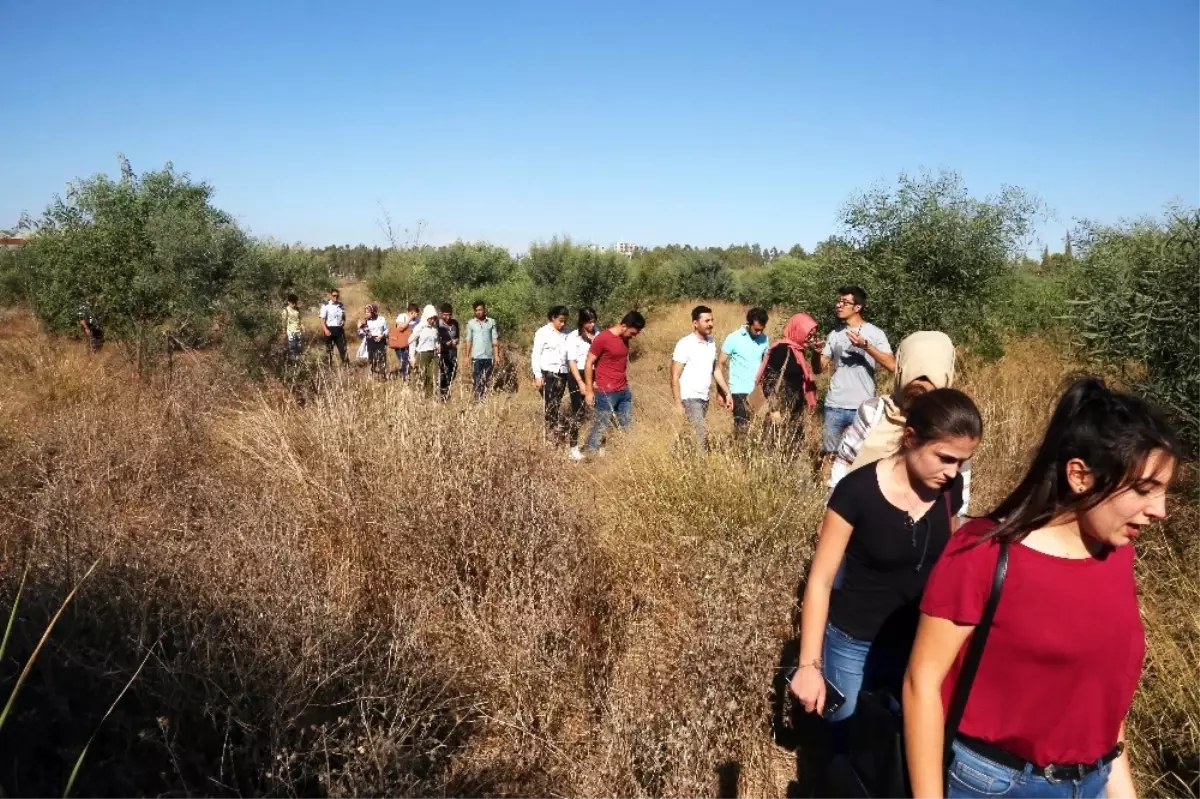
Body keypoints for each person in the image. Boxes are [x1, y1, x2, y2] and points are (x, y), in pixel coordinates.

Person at [904, 379, 1179, 799]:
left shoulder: (1117, 553)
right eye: (1144, 490)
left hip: (1092, 781)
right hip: (992, 784)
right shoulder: (982, 553)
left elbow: (1099, 698)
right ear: (1079, 475)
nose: (1160, 511)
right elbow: (922, 683)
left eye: (1163, 492)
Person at [789, 389, 983, 754]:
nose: (953, 472)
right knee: (842, 745)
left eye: (962, 462)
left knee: (896, 747)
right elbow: (820, 580)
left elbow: (948, 560)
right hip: (852, 644)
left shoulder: (948, 491)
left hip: (917, 645)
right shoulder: (855, 492)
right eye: (945, 458)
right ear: (910, 438)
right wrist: (809, 665)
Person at [830, 331, 971, 515]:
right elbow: (845, 461)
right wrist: (831, 509)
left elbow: (959, 497)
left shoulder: (955, 423)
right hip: (863, 520)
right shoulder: (875, 411)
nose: (922, 385)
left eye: (931, 377)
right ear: (900, 370)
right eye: (915, 375)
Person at [820, 286, 895, 460]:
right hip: (834, 405)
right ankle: (827, 487)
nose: (839, 305)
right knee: (829, 456)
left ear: (857, 307)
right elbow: (819, 368)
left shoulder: (875, 333)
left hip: (863, 406)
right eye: (838, 301)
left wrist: (867, 346)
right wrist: (816, 352)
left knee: (860, 458)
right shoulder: (834, 334)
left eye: (844, 302)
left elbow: (892, 365)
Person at [581, 311, 646, 457]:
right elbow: (589, 363)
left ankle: (629, 457)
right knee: (601, 426)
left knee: (627, 425)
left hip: (624, 391)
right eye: (633, 333)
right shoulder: (603, 338)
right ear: (624, 326)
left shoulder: (625, 339)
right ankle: (588, 456)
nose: (634, 336)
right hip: (606, 392)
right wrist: (589, 391)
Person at [671, 305, 733, 451]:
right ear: (695, 323)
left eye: (712, 320)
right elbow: (674, 375)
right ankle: (701, 469)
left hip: (704, 398)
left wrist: (726, 392)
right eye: (706, 321)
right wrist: (678, 403)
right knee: (700, 437)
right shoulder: (685, 344)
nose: (710, 324)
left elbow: (716, 370)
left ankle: (674, 456)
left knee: (687, 432)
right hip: (690, 397)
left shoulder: (711, 342)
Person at [754, 313, 823, 432]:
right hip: (779, 412)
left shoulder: (797, 351)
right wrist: (774, 409)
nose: (810, 339)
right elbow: (769, 379)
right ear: (798, 331)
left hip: (793, 411)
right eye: (808, 335)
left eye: (812, 336)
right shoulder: (782, 350)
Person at [720, 307, 769, 436]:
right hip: (738, 390)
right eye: (756, 329)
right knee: (742, 426)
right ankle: (739, 453)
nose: (759, 333)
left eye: (761, 330)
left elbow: (765, 363)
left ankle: (746, 452)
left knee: (756, 427)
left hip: (757, 390)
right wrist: (722, 390)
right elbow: (720, 363)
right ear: (749, 323)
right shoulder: (734, 338)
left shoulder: (765, 339)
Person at [531, 306, 571, 441]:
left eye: (565, 321)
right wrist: (537, 375)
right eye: (560, 320)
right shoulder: (542, 332)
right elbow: (536, 354)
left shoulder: (568, 333)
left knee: (556, 403)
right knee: (550, 403)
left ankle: (554, 430)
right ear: (553, 318)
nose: (563, 324)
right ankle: (549, 434)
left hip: (563, 373)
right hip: (547, 373)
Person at [566, 307, 598, 462]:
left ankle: (597, 443)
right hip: (577, 374)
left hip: (594, 373)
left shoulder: (598, 334)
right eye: (588, 322)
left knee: (599, 409)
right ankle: (573, 447)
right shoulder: (573, 337)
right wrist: (580, 382)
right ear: (581, 321)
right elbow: (571, 361)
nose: (592, 325)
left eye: (593, 321)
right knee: (578, 411)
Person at [464, 300, 500, 401]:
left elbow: (494, 339)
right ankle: (477, 399)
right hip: (476, 357)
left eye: (480, 309)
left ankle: (484, 399)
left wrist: (496, 355)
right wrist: (466, 356)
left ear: (484, 310)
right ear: (474, 311)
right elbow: (468, 340)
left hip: (488, 356)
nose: (479, 312)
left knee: (487, 379)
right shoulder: (471, 323)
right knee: (477, 378)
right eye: (476, 310)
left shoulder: (491, 322)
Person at [412, 305, 441, 398]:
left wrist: (438, 348)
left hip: (434, 354)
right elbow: (411, 341)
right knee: (422, 375)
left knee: (433, 375)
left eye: (434, 318)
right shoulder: (420, 327)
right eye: (431, 318)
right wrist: (412, 357)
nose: (433, 320)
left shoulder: (435, 328)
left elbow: (436, 341)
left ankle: (430, 395)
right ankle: (419, 395)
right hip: (422, 353)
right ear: (426, 317)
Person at [436, 303, 460, 402]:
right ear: (441, 313)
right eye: (445, 314)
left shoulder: (455, 323)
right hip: (442, 353)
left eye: (449, 314)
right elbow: (435, 338)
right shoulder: (437, 323)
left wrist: (456, 341)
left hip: (453, 352)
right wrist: (445, 343)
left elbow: (458, 336)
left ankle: (446, 391)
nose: (447, 317)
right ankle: (442, 394)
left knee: (452, 373)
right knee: (443, 373)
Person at [319, 289, 348, 365]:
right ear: (330, 295)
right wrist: (325, 330)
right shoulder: (326, 305)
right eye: (334, 295)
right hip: (329, 329)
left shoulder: (341, 305)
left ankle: (346, 366)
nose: (336, 297)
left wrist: (343, 322)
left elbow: (344, 316)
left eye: (337, 295)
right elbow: (322, 319)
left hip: (339, 329)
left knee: (343, 349)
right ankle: (328, 366)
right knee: (329, 350)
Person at [360, 303, 388, 378]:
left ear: (373, 311)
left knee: (381, 358)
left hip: (381, 340)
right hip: (370, 340)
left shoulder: (382, 319)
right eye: (366, 312)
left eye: (368, 312)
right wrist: (360, 327)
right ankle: (370, 375)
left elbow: (386, 330)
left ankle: (382, 375)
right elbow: (361, 333)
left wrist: (382, 335)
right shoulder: (365, 321)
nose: (367, 314)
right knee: (371, 359)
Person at [389, 311, 413, 379]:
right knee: (404, 361)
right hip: (401, 344)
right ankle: (405, 377)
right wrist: (410, 319)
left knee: (407, 362)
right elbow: (399, 328)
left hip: (409, 344)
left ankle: (407, 376)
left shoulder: (417, 319)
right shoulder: (402, 316)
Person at [280, 294, 303, 360]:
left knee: (298, 346)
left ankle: (297, 360)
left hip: (298, 331)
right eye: (293, 302)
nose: (294, 304)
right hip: (290, 331)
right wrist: (284, 333)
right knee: (292, 347)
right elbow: (283, 322)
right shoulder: (285, 310)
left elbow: (300, 318)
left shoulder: (297, 310)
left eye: (295, 302)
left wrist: (302, 326)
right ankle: (293, 361)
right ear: (289, 302)